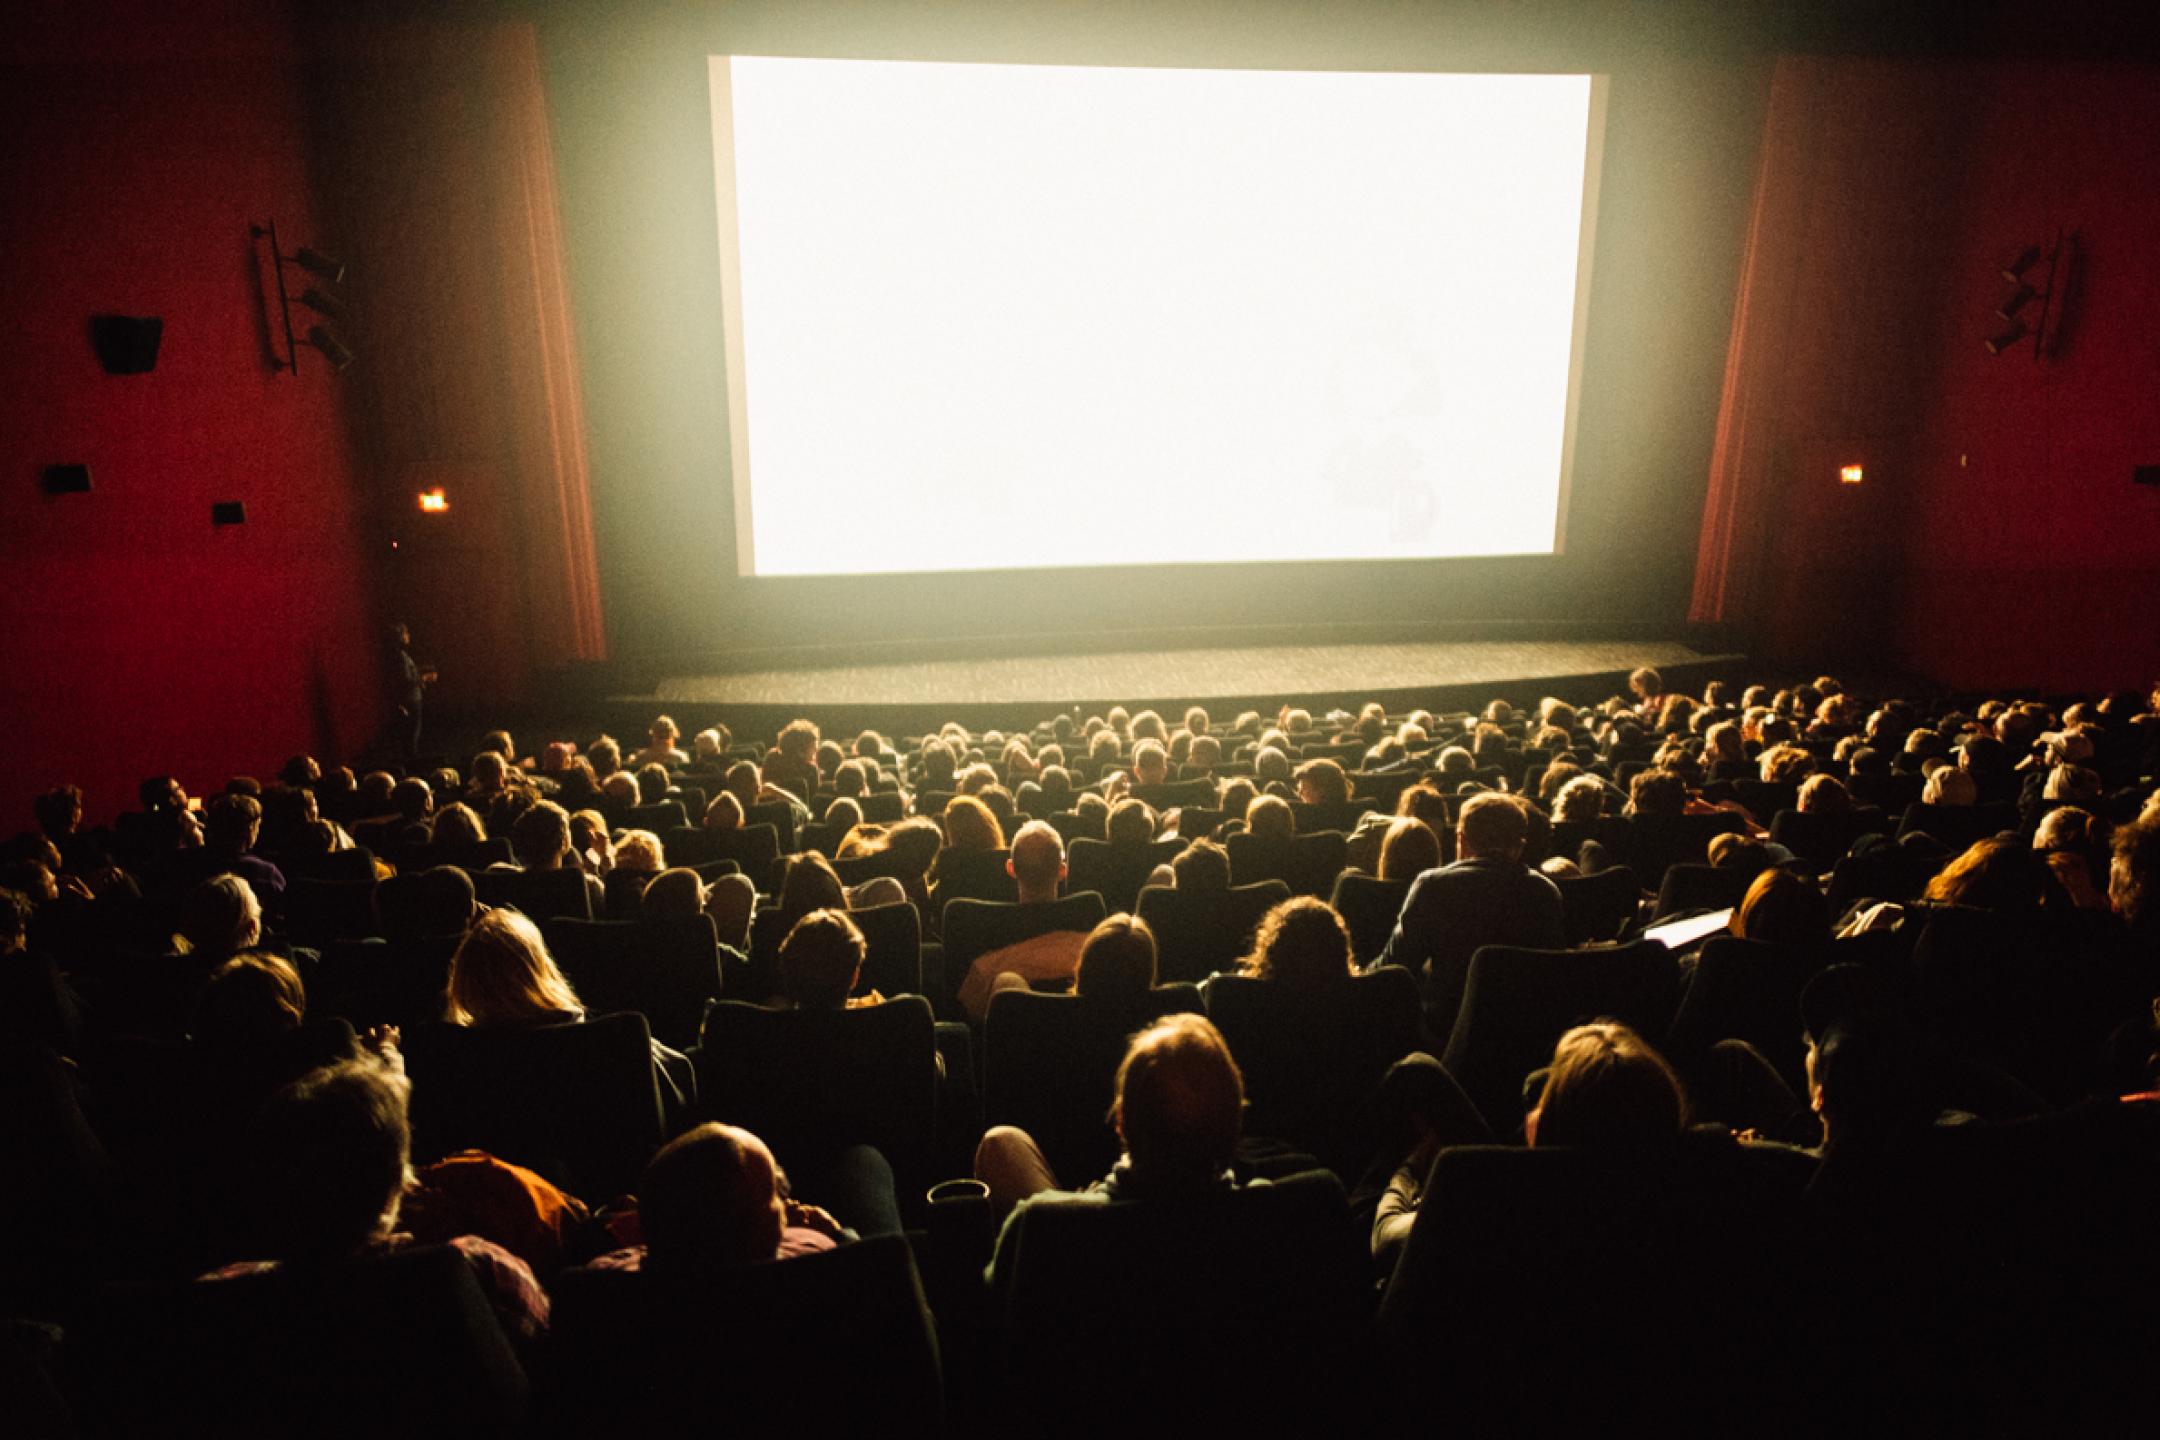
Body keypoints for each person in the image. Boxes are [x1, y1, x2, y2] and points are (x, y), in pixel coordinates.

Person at [975, 1012, 1251, 1220]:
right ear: (1234, 1122)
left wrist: (1085, 1201)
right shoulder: (1274, 1212)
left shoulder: (1042, 1223)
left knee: (1002, 1142)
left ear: (1120, 1121)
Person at [1374, 793, 1565, 1023]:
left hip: (1446, 1028)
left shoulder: (1433, 886)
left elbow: (1397, 963)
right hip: (1526, 1027)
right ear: (1519, 847)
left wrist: (1357, 978)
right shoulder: (1546, 892)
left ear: (1461, 841)